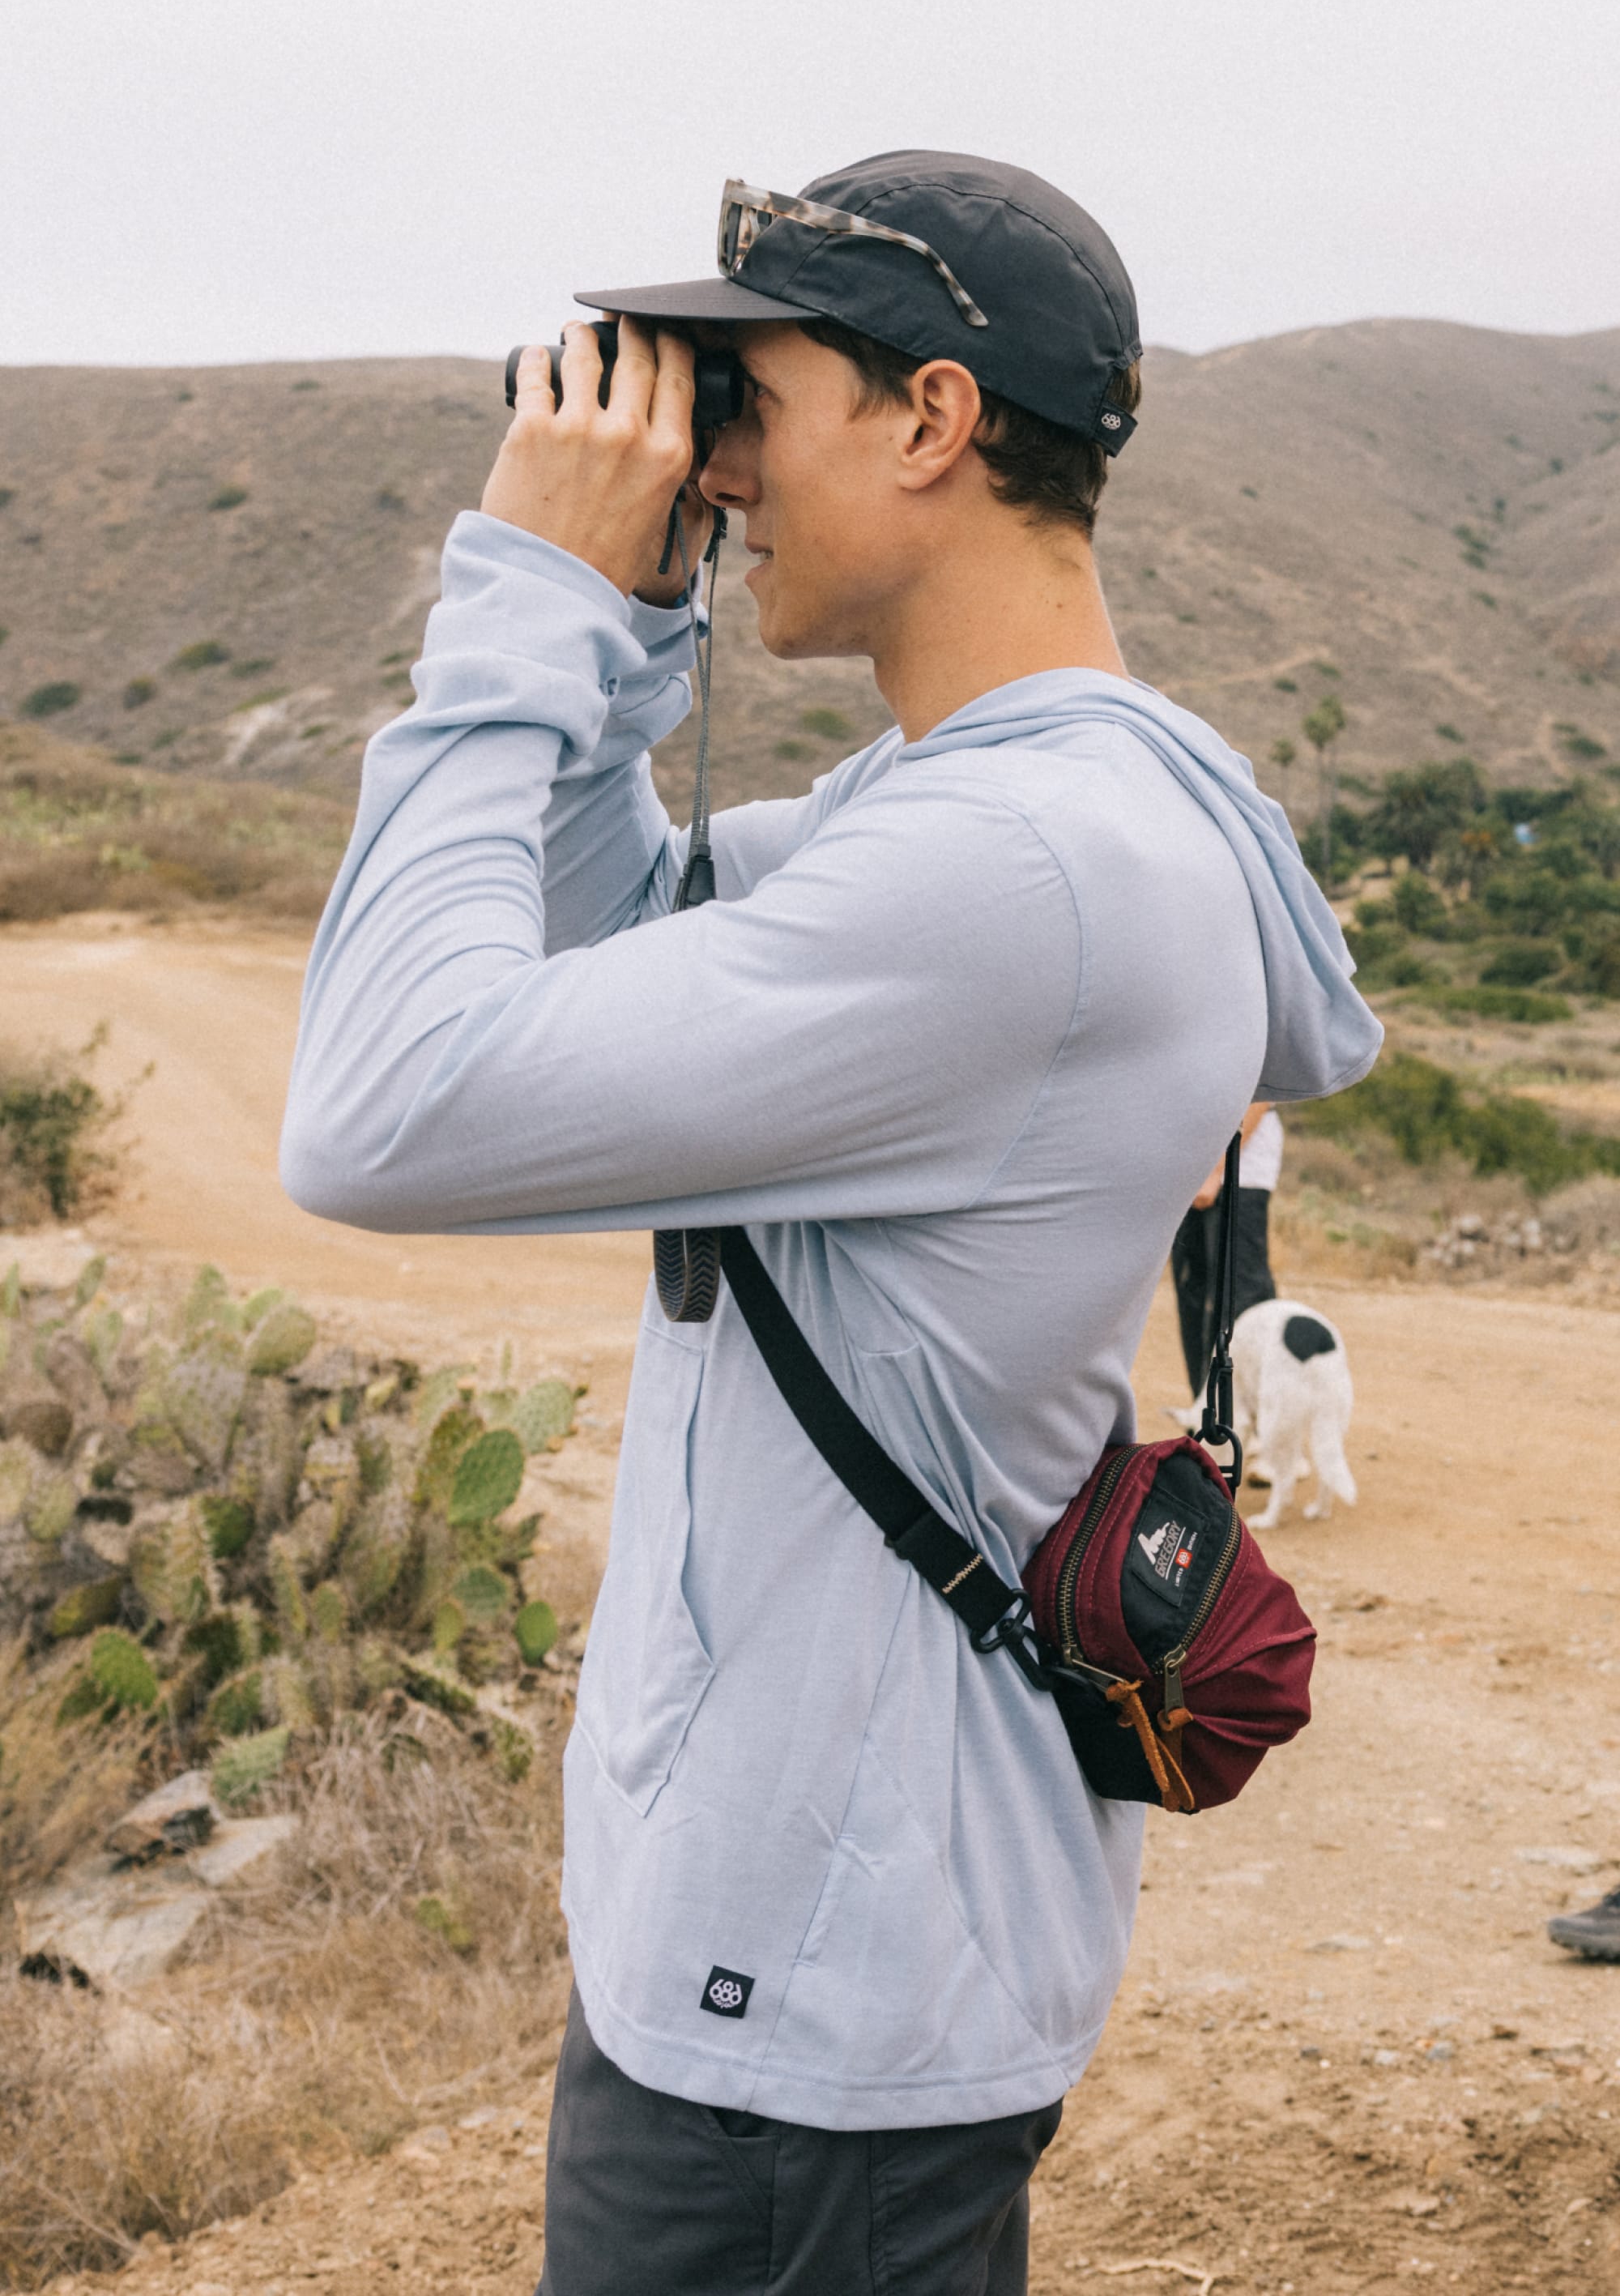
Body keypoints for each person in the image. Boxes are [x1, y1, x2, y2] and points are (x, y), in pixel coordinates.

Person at [279, 152, 1382, 2296]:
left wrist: (520, 591)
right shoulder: (983, 815)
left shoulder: (1019, 873)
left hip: (803, 2022)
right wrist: (626, 630)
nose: (730, 465)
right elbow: (586, 956)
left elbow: (379, 1114)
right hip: (811, 1954)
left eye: (753, 399)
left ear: (936, 420)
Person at [1170, 1099, 1283, 1400]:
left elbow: (1262, 1093)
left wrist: (1216, 1169)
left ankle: (1250, 1413)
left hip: (1240, 1169)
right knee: (1192, 1289)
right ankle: (1203, 1410)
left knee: (1240, 1295)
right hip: (1190, 1165)